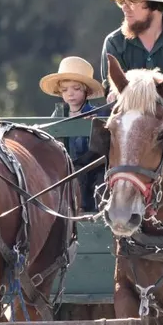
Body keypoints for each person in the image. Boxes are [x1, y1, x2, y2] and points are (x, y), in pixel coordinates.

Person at [40, 56, 108, 213]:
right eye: (65, 90)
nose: (70, 94)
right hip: (66, 169)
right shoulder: (58, 114)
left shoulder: (98, 113)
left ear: (86, 90)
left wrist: (95, 126)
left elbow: (104, 146)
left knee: (98, 184)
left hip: (95, 168)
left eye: (76, 89)